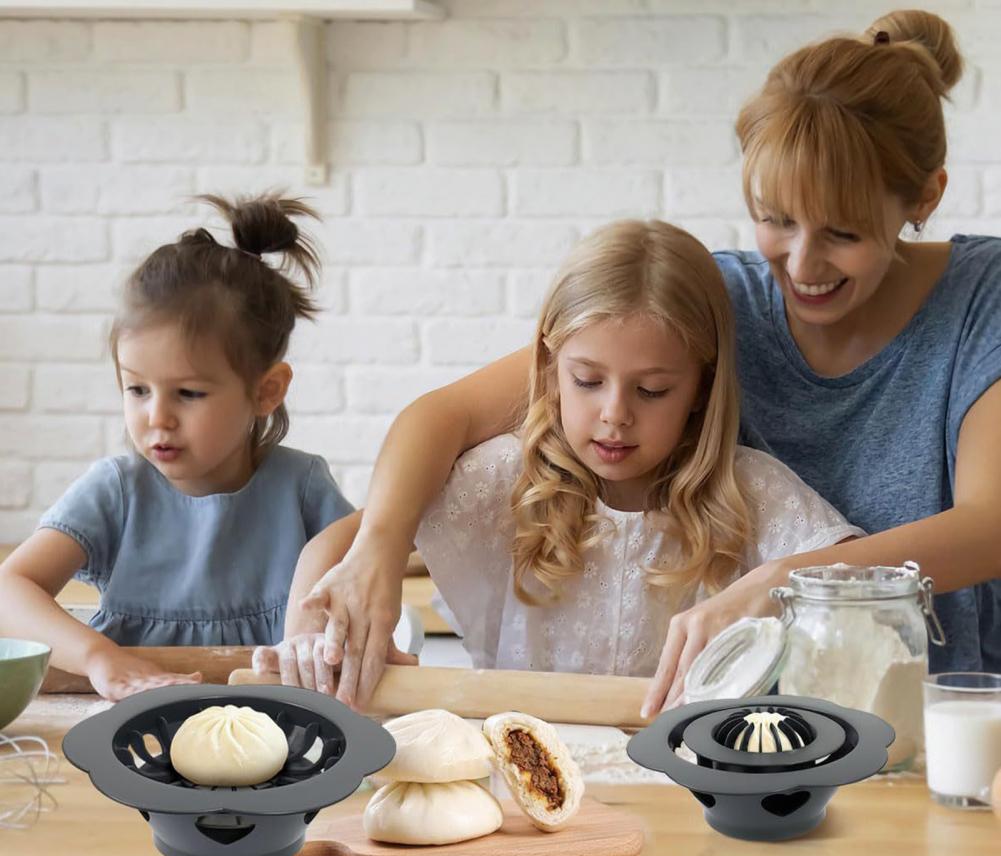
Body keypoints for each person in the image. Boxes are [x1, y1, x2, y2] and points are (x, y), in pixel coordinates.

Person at [274, 9, 1001, 716]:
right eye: (776, 220)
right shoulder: (716, 300)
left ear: (924, 197)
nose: (800, 263)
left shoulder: (980, 299)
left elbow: (989, 524)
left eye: (841, 232)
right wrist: (371, 556)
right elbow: (448, 416)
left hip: (952, 705)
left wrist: (786, 581)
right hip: (775, 724)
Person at [261, 220, 857, 707]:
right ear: (548, 366)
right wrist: (314, 641)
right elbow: (341, 548)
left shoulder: (751, 494)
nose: (615, 415)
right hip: (517, 792)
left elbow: (862, 586)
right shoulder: (502, 480)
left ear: (702, 386)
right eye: (588, 380)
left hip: (689, 803)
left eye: (652, 391)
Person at [0, 194, 355, 701]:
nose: (156, 417)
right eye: (137, 389)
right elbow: (10, 588)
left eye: (188, 393)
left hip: (271, 733)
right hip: (129, 732)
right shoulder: (115, 492)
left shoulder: (302, 489)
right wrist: (100, 657)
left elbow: (361, 583)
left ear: (266, 391)